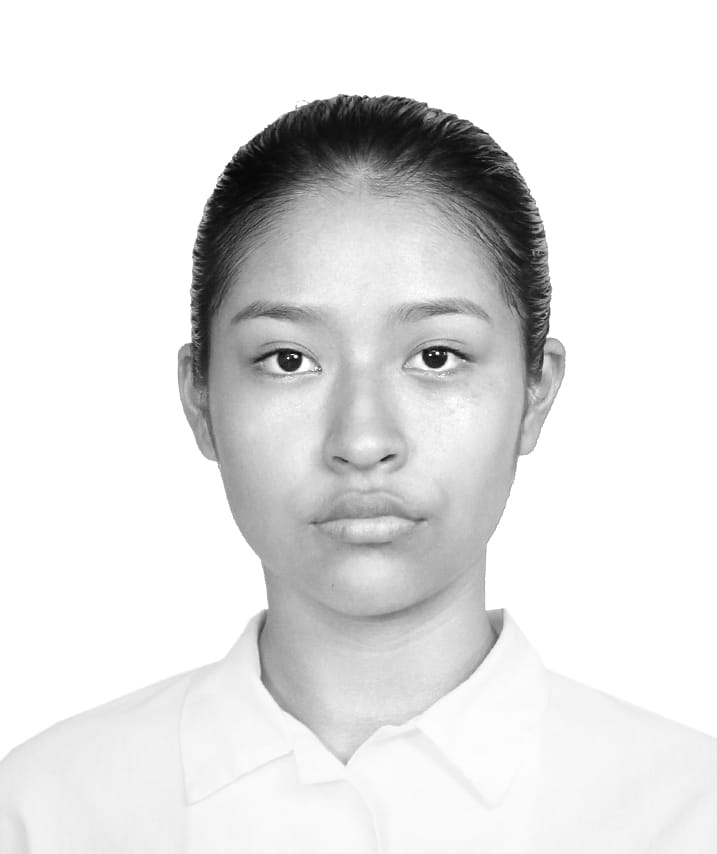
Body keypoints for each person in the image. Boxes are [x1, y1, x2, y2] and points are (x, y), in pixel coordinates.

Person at [0, 94, 715, 853]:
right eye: (288, 360)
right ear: (200, 399)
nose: (363, 440)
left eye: (436, 357)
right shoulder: (47, 812)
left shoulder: (689, 813)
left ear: (534, 392)